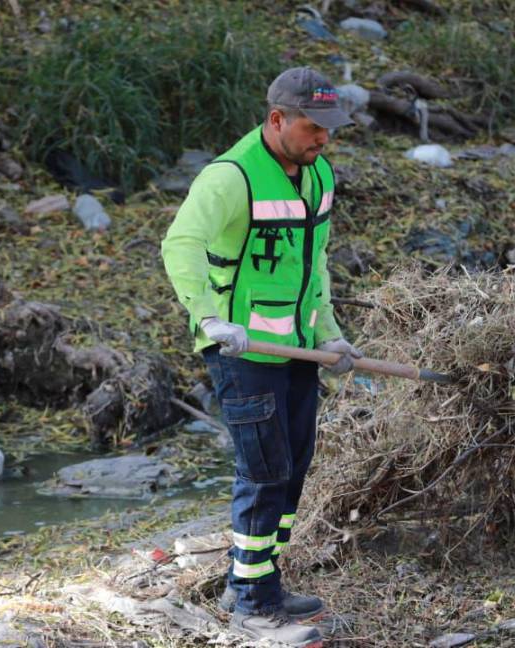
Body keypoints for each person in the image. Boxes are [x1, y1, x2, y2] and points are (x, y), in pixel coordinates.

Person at [160, 67, 362, 646]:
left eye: (330, 129)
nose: (324, 139)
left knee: (294, 465)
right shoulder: (231, 177)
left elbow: (314, 265)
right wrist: (208, 316)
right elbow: (181, 243)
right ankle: (250, 605)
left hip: (298, 347)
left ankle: (260, 582)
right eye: (313, 127)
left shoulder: (319, 175)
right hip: (242, 348)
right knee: (264, 470)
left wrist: (329, 334)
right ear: (277, 119)